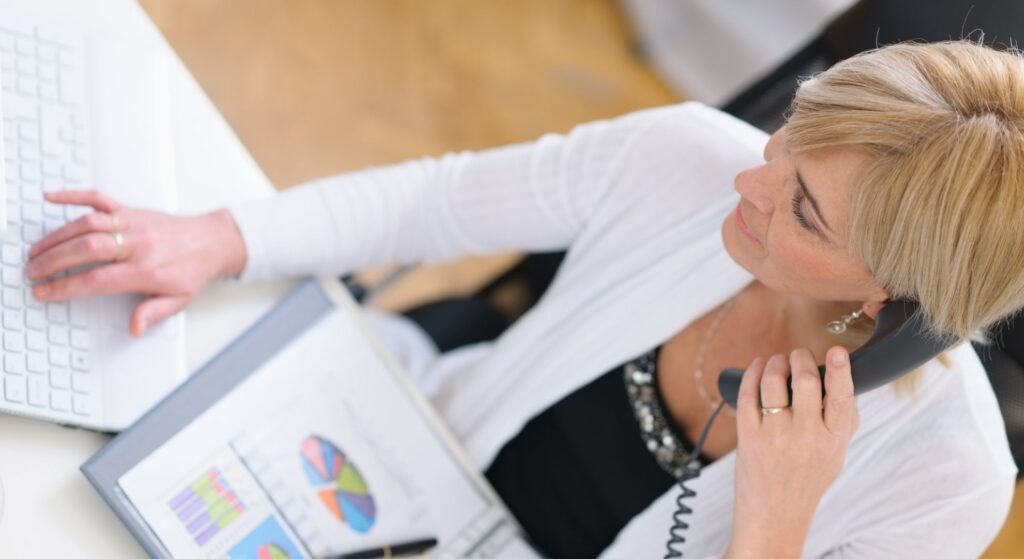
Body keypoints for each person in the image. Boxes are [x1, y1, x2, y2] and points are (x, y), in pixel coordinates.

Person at [24, 40, 1021, 557]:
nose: (748, 184)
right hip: (387, 471)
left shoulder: (947, 478)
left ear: (904, 294)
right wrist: (220, 236)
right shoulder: (688, 157)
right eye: (791, 136)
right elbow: (439, 198)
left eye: (803, 209)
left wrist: (774, 520)